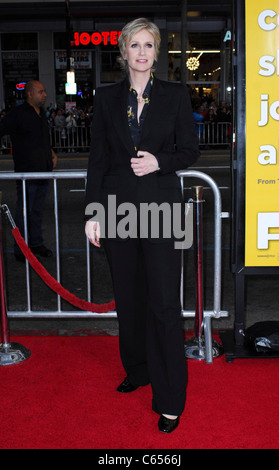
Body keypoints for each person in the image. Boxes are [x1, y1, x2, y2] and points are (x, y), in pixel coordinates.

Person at [85, 18, 199, 433]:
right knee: (129, 299)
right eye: (135, 45)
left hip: (165, 211)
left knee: (165, 305)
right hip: (117, 210)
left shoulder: (174, 95)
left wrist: (160, 161)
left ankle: (170, 400)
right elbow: (98, 159)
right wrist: (93, 212)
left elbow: (190, 149)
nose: (142, 52)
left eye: (149, 45)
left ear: (156, 52)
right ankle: (137, 369)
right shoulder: (106, 96)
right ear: (123, 51)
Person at [0, 80, 58, 262]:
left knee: (37, 211)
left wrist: (52, 153)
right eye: (41, 92)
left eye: (44, 91)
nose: (45, 95)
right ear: (30, 94)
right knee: (24, 211)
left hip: (43, 170)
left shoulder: (41, 114)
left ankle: (36, 243)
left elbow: (42, 138)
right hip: (26, 172)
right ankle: (21, 248)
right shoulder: (17, 114)